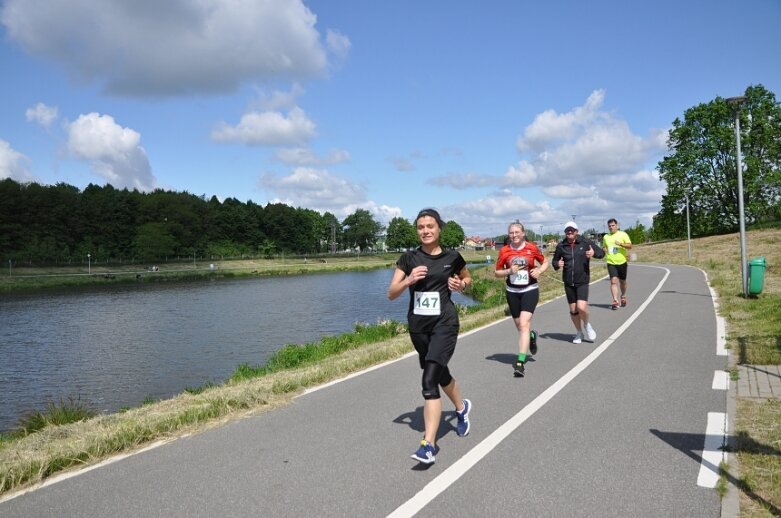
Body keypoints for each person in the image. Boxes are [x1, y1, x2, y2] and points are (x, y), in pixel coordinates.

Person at [388, 208, 473, 465]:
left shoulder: (452, 257)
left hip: (445, 324)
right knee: (439, 372)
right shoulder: (408, 258)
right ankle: (462, 408)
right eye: (421, 227)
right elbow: (391, 293)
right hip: (418, 328)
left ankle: (428, 445)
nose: (425, 231)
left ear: (439, 229)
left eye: (430, 226)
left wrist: (462, 285)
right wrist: (408, 281)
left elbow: (467, 277)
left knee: (429, 381)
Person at [494, 222, 549, 377]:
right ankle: (531, 336)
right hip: (512, 291)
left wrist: (539, 270)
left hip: (529, 290)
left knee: (524, 324)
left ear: (523, 233)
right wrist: (509, 271)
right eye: (511, 233)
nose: (514, 235)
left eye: (517, 232)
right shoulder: (504, 251)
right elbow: (497, 272)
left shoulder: (531, 248)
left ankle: (520, 363)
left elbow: (544, 262)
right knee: (520, 326)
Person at [552, 221, 605, 344]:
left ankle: (587, 324)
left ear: (576, 231)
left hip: (582, 280)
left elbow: (602, 253)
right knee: (574, 310)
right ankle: (579, 333)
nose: (569, 232)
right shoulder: (561, 246)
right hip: (568, 282)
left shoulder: (585, 242)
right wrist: (556, 264)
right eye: (567, 230)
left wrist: (594, 253)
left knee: (581, 307)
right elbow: (555, 261)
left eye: (572, 230)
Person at [602, 218, 632, 310]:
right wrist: (604, 250)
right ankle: (615, 301)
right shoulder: (606, 237)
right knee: (613, 281)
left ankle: (623, 296)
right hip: (611, 262)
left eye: (613, 225)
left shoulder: (623, 234)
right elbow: (604, 246)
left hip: (622, 262)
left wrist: (621, 244)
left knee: (622, 282)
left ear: (617, 225)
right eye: (609, 226)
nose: (611, 227)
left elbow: (630, 246)